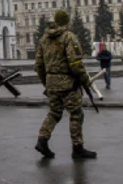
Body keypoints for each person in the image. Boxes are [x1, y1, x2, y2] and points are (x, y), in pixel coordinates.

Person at [34, 10, 97, 159]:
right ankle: (77, 147)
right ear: (67, 21)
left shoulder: (44, 39)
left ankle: (42, 139)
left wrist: (47, 82)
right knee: (76, 114)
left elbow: (39, 65)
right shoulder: (69, 37)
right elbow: (75, 63)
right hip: (68, 84)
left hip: (51, 83)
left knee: (54, 113)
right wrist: (85, 80)